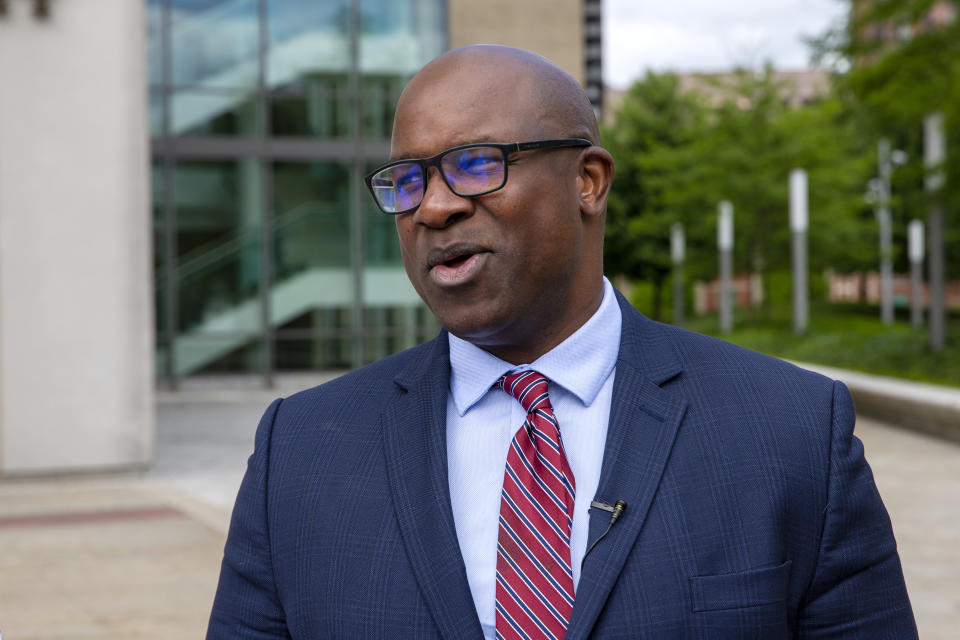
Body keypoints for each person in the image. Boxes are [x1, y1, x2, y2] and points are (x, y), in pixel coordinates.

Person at [207, 45, 917, 639]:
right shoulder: (298, 452)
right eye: (409, 180)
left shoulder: (791, 430)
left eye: (477, 163)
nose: (435, 206)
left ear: (588, 181)